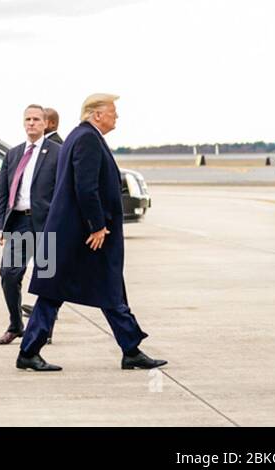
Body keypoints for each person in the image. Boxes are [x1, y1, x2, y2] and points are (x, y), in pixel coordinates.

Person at [17, 94, 166, 372]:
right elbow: (86, 187)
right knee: (64, 290)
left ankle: (130, 348)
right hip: (81, 236)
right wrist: (97, 225)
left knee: (101, 288)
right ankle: (29, 352)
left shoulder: (79, 136)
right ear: (97, 114)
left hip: (72, 234)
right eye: (113, 112)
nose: (116, 116)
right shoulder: (86, 138)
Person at [0, 105, 60, 345]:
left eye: (36, 119)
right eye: (28, 119)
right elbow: (2, 194)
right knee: (9, 274)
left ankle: (44, 329)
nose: (31, 123)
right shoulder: (13, 154)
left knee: (47, 278)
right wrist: (0, 226)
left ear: (45, 124)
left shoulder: (57, 153)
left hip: (47, 224)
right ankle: (16, 324)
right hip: (19, 223)